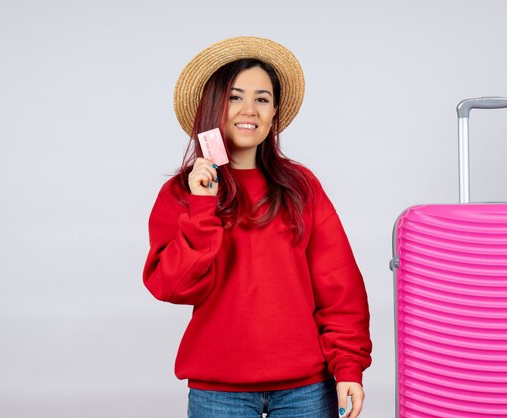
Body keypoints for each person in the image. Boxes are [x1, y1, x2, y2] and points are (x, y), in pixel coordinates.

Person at [143, 36, 372, 418]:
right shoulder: (182, 193)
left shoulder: (301, 187)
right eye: (235, 96)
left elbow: (339, 284)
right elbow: (174, 286)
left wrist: (348, 365)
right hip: (218, 393)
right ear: (215, 105)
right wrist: (203, 206)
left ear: (273, 112)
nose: (249, 109)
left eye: (262, 98)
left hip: (306, 390)